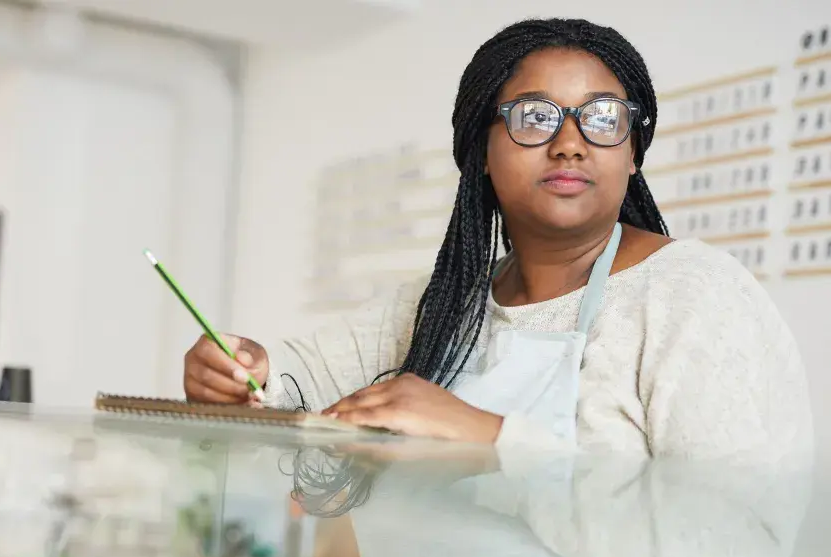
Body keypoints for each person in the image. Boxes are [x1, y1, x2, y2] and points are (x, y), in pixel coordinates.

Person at [183, 18, 813, 465]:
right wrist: (236, 374)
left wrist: (489, 441)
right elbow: (289, 390)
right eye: (534, 116)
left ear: (632, 152)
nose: (570, 143)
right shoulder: (438, 308)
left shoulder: (696, 296)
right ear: (480, 151)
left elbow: (731, 534)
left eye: (602, 118)